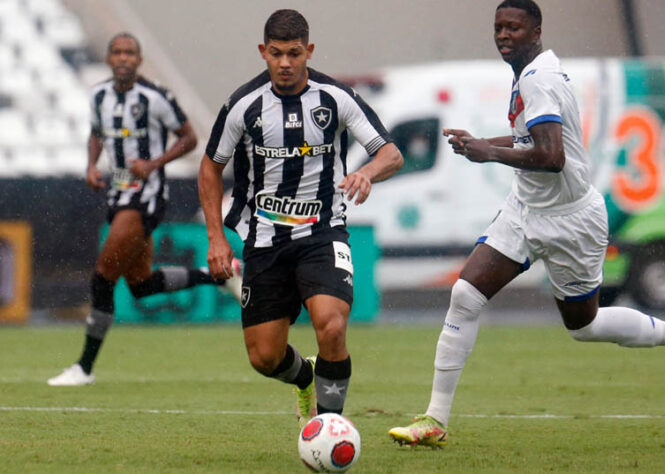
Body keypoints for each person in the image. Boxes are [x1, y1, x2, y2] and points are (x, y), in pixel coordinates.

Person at [388, 0, 665, 448]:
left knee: (584, 326)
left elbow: (551, 156)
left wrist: (489, 154)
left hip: (571, 221)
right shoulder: (536, 70)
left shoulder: (538, 79)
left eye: (514, 27)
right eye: (499, 27)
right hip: (526, 210)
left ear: (537, 30)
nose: (504, 35)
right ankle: (435, 419)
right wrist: (484, 141)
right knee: (465, 294)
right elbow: (536, 139)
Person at [198, 9, 403, 428]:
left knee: (331, 326)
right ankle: (306, 377)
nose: (286, 63)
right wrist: (216, 238)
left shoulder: (336, 97)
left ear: (309, 51)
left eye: (294, 53)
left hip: (323, 235)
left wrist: (365, 172)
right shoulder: (243, 104)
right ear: (263, 52)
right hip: (264, 241)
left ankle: (327, 429)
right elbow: (209, 168)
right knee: (265, 357)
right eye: (276, 54)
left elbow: (391, 154)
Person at [47, 33, 242, 387]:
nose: (123, 58)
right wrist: (92, 165)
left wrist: (154, 163)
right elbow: (96, 133)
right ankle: (216, 275)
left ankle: (84, 368)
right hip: (117, 192)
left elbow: (189, 138)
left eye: (130, 53)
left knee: (103, 276)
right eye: (117, 52)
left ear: (138, 60)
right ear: (109, 58)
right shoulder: (99, 96)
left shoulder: (155, 98)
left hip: (146, 195)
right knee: (141, 284)